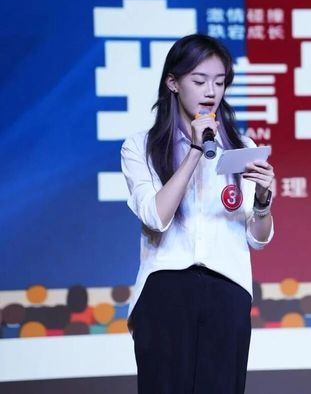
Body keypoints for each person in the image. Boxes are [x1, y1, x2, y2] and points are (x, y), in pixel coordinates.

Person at [121, 34, 275, 393]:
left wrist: (264, 200)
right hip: (165, 288)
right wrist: (195, 149)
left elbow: (257, 238)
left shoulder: (242, 148)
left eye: (219, 82)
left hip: (227, 288)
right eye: (199, 80)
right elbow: (156, 217)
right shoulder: (141, 147)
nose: (211, 91)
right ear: (173, 83)